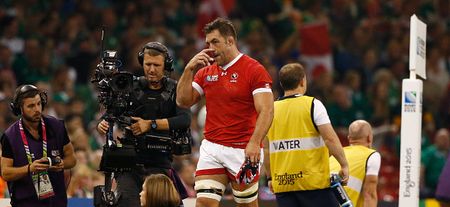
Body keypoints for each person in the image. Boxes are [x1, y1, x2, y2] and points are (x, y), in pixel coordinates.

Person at [176, 17, 274, 207]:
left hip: (243, 150)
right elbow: (182, 100)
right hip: (212, 148)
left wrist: (255, 142)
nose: (210, 48)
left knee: (246, 205)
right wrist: (189, 69)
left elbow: (267, 111)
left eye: (215, 42)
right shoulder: (205, 72)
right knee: (204, 202)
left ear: (230, 41)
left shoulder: (254, 70)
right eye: (207, 43)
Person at [97, 41, 190, 207]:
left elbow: (184, 120)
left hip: (160, 163)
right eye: (148, 64)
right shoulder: (130, 86)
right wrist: (103, 123)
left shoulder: (176, 89)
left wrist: (151, 125)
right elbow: (111, 113)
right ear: (141, 63)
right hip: (129, 164)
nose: (151, 69)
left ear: (166, 65)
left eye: (156, 65)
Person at [263, 63, 349, 207]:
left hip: (284, 185)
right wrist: (344, 164)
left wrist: (270, 178)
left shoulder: (271, 110)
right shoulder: (313, 105)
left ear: (282, 84)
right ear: (303, 81)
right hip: (313, 184)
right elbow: (330, 138)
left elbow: (266, 149)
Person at [1, 84, 77, 207]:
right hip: (25, 203)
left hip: (56, 202)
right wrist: (30, 168)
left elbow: (72, 159)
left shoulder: (57, 127)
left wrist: (62, 164)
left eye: (38, 104)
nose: (37, 109)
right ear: (19, 109)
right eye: (31, 106)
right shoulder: (10, 136)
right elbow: (5, 173)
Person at [329, 120, 381, 207]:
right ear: (369, 138)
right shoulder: (372, 155)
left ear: (349, 138)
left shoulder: (334, 156)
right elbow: (369, 195)